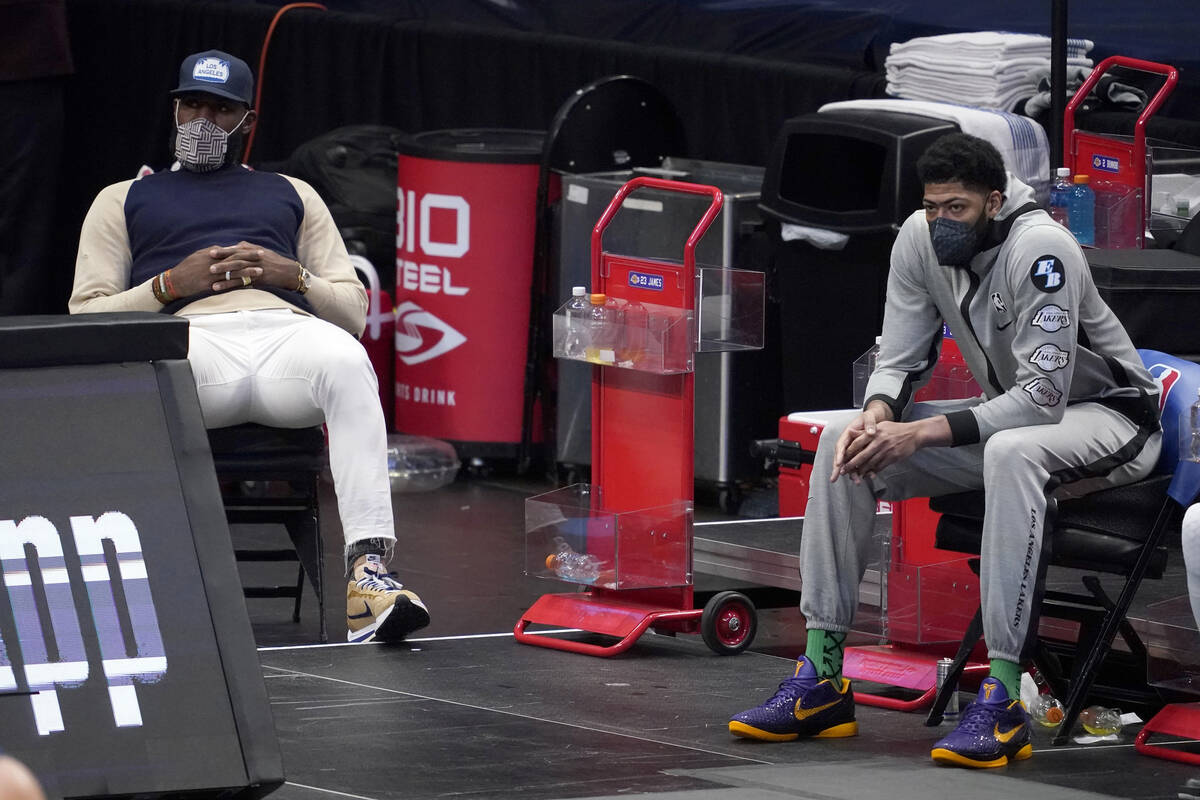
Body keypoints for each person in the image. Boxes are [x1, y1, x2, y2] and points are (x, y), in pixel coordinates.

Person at [729, 133, 1162, 768]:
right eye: (932, 206)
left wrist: (922, 432)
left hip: (1110, 419)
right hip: (1014, 420)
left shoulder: (1043, 250)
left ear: (993, 200)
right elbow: (899, 358)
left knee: (1012, 452)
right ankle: (821, 676)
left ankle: (1005, 695)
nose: (940, 222)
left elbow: (1042, 399)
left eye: (955, 209)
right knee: (841, 447)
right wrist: (880, 416)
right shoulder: (918, 237)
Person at [69, 49, 429, 644]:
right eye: (192, 106)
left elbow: (353, 316)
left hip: (287, 337)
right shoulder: (122, 198)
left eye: (220, 109)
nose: (203, 121)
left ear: (247, 121)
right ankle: (143, 588)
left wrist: (293, 277)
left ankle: (369, 576)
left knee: (346, 359)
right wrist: (165, 286)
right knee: (143, 390)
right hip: (192, 343)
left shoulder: (292, 192)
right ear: (175, 111)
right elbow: (85, 316)